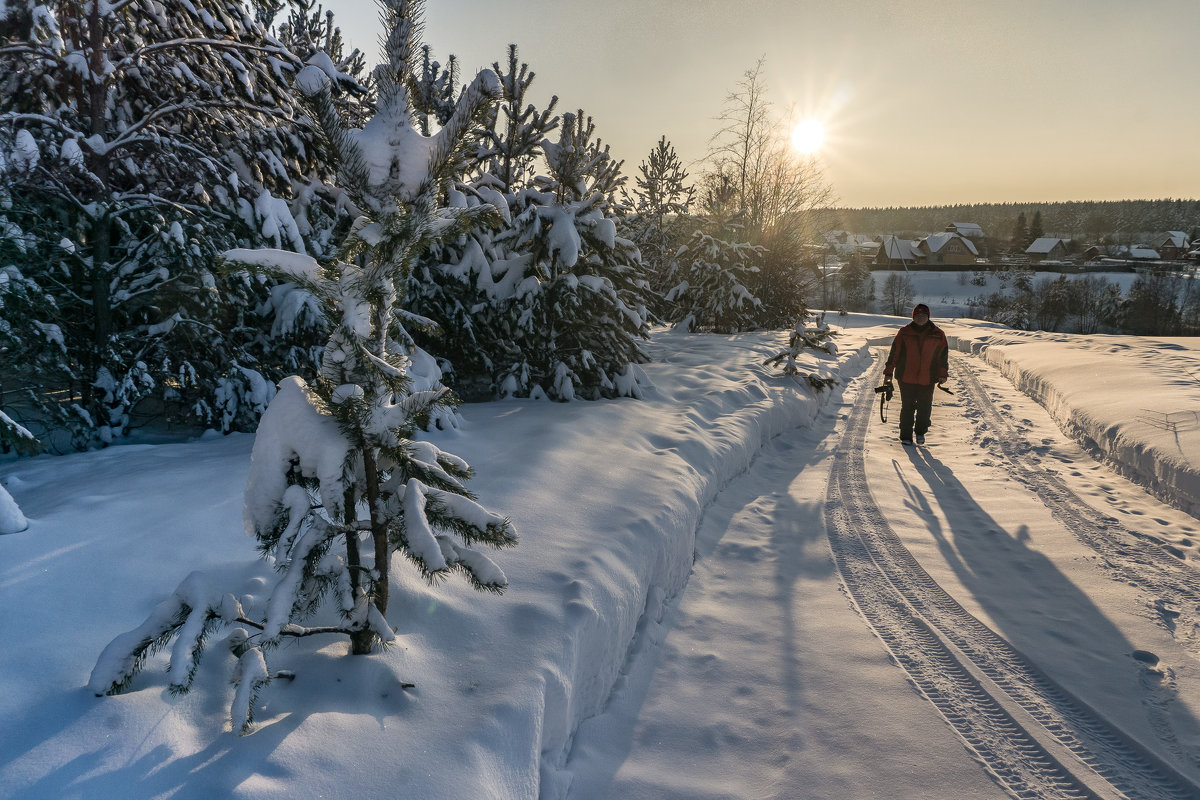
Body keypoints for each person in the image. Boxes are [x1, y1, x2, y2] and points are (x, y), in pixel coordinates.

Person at [883, 303, 948, 445]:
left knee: (925, 407)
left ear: (928, 317)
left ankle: (920, 432)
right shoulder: (904, 332)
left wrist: (943, 374)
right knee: (907, 406)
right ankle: (906, 436)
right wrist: (889, 372)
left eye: (923, 315)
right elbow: (894, 354)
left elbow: (942, 356)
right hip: (906, 377)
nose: (920, 318)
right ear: (913, 317)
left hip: (928, 378)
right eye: (917, 316)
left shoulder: (938, 334)